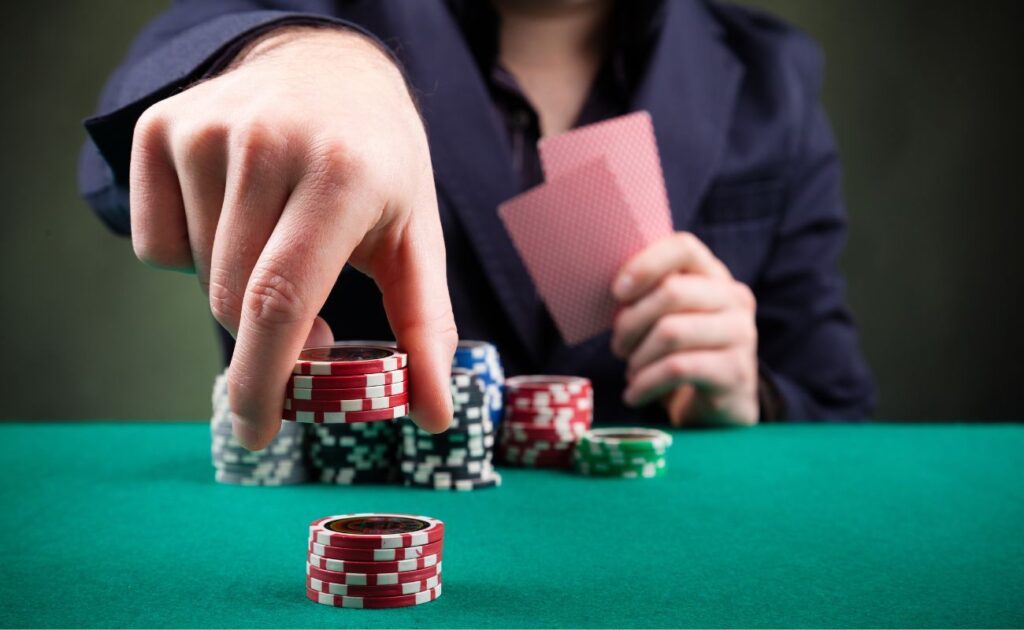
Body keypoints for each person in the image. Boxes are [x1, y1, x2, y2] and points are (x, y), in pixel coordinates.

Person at [79, 0, 876, 450]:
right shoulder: (308, 12)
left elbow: (841, 416)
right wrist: (293, 54)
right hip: (344, 541)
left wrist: (754, 396)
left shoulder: (776, 77)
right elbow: (114, 168)